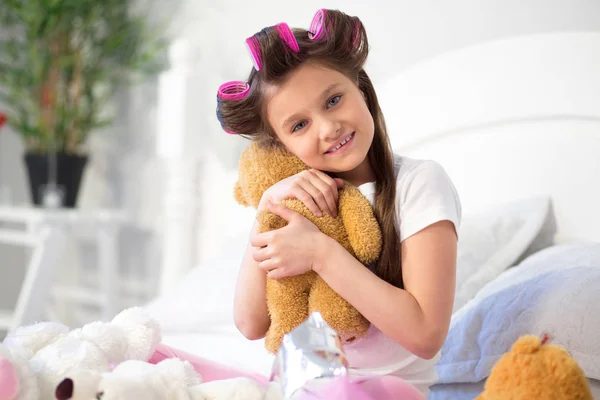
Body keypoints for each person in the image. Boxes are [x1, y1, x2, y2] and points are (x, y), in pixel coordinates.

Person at [215, 8, 461, 397]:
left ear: (360, 88)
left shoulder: (419, 184)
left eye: (332, 100)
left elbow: (426, 334)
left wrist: (320, 253)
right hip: (297, 386)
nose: (328, 128)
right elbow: (250, 323)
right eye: (299, 125)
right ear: (282, 145)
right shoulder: (295, 203)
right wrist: (268, 207)